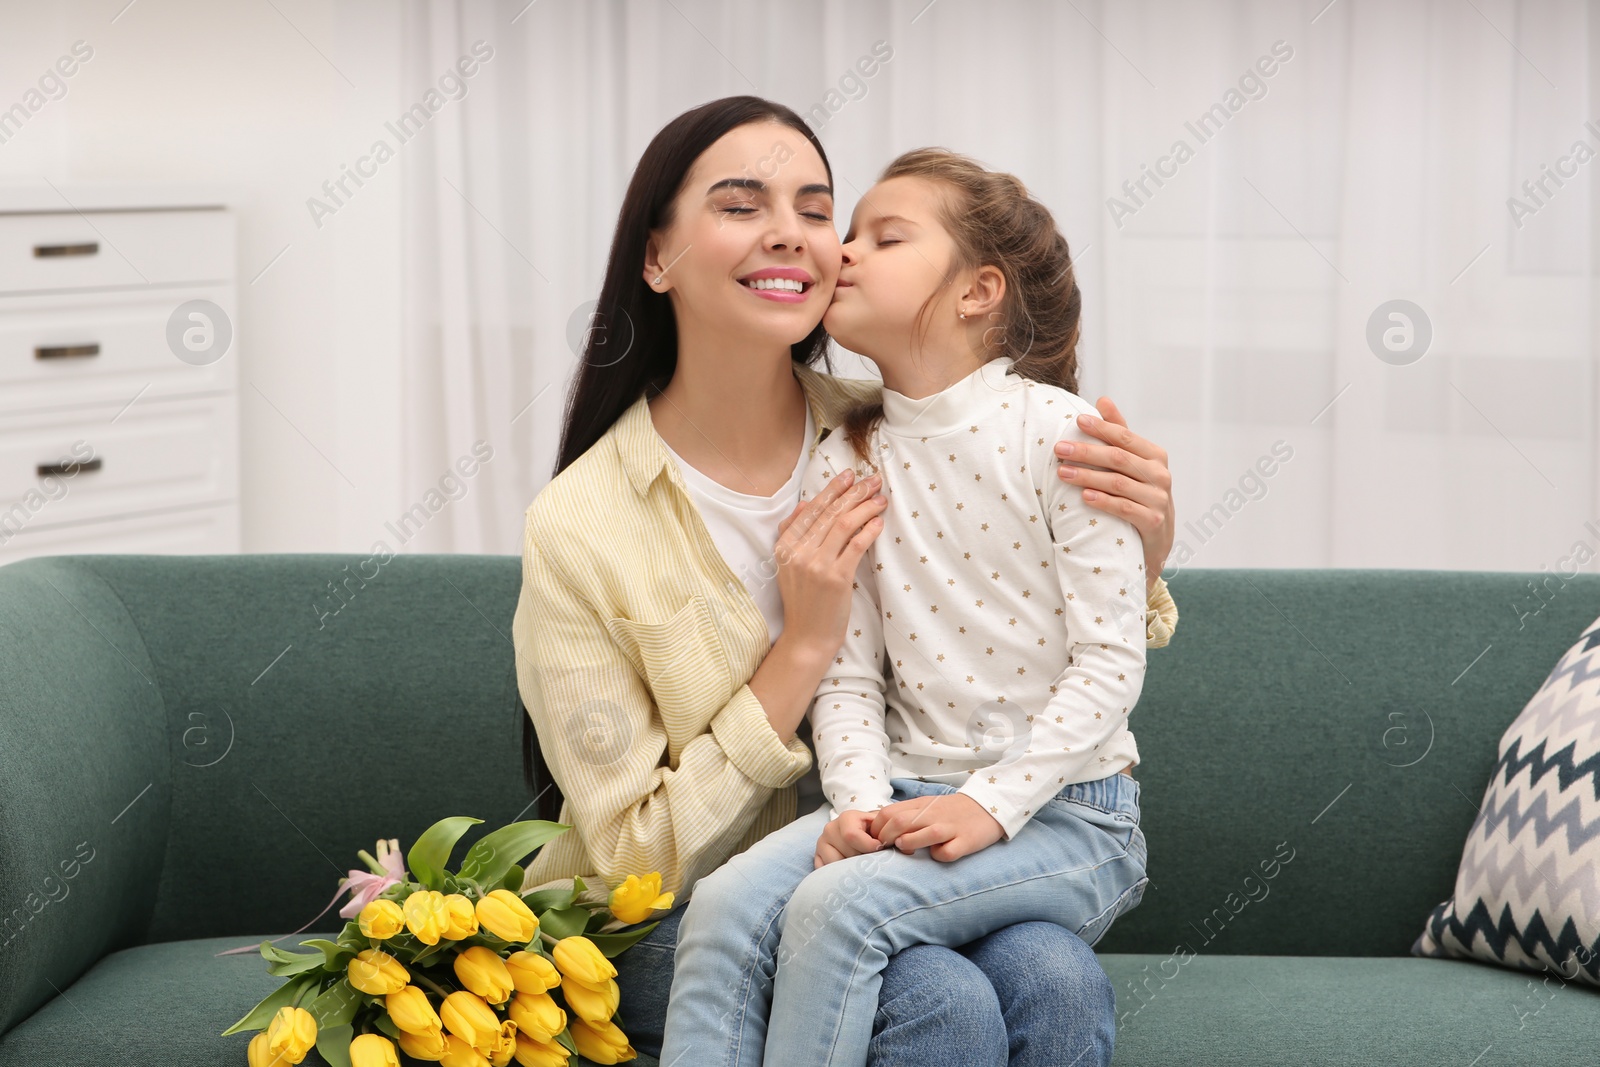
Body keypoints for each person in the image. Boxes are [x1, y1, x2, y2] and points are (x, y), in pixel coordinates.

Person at [512, 96, 1180, 1066]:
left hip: (918, 827)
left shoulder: (890, 422)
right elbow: (630, 861)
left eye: (816, 208)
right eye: (741, 204)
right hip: (672, 904)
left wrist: (1147, 541)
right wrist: (803, 648)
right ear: (656, 258)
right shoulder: (582, 524)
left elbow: (1069, 610)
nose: (795, 231)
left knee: (1055, 974)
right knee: (940, 1002)